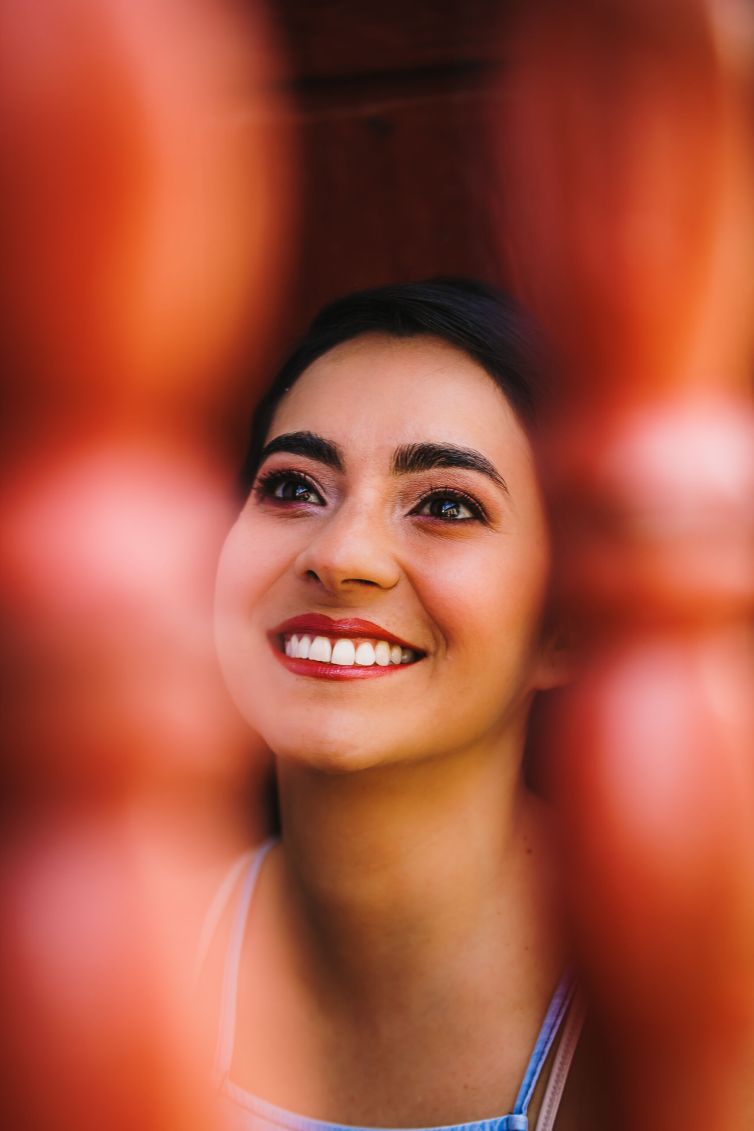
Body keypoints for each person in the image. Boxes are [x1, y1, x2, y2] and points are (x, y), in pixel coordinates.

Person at [206, 279, 606, 1131]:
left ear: (566, 619)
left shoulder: (680, 1012)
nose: (343, 553)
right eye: (292, 487)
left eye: (448, 505)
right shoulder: (80, 963)